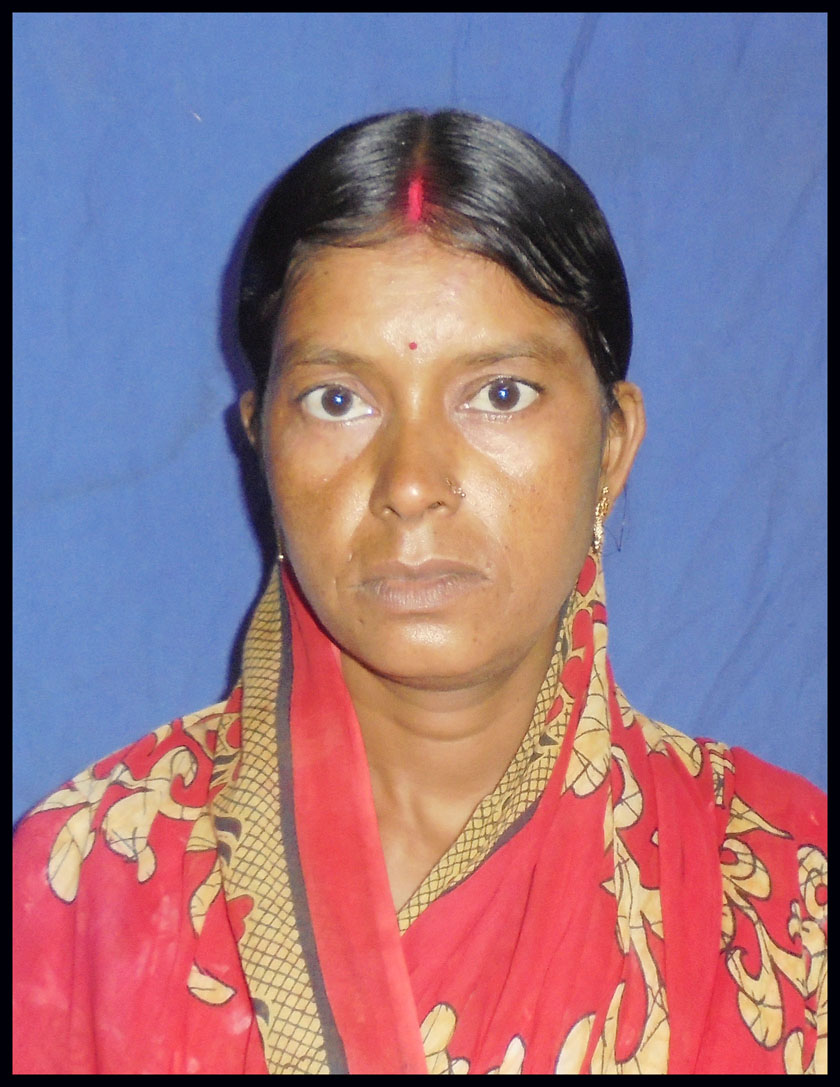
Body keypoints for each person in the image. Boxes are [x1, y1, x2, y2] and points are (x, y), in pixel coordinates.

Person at [13, 110, 826, 1075]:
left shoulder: (785, 890)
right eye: (338, 401)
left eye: (500, 393)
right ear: (261, 442)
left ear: (612, 446)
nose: (410, 483)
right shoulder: (87, 886)